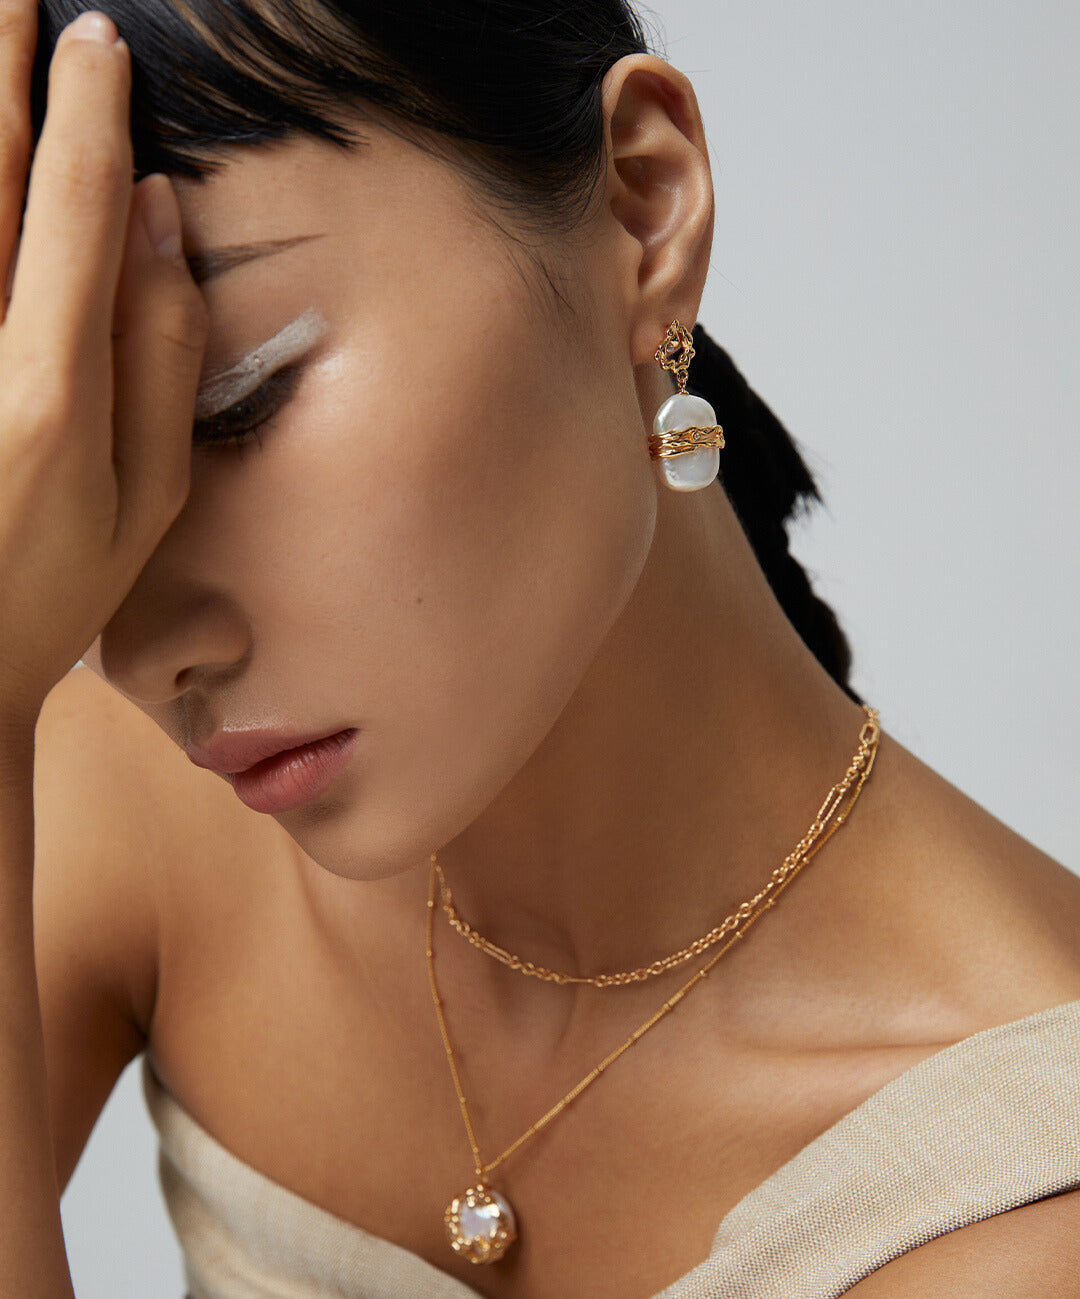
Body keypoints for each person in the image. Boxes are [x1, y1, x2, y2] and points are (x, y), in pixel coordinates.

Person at [2, 1, 1078, 1296]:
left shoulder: (1020, 1205)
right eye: (81, 453)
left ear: (642, 205)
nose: (131, 643)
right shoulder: (132, 810)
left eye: (235, 400)